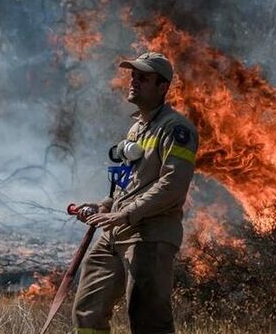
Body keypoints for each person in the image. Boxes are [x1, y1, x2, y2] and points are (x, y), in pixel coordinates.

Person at [72, 51, 199, 334]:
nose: (134, 82)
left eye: (143, 78)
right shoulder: (136, 129)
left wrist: (125, 215)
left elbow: (173, 186)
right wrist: (104, 206)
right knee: (87, 311)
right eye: (133, 76)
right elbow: (129, 185)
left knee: (148, 321)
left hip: (149, 236)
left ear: (162, 87)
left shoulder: (177, 129)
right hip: (116, 233)